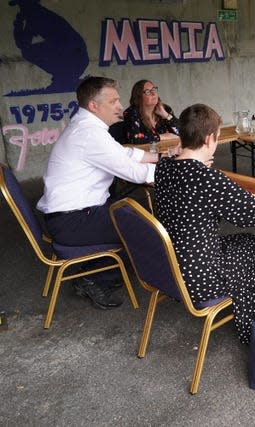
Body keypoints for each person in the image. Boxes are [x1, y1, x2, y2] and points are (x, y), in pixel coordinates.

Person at [154, 103, 255, 344]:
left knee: (251, 244)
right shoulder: (208, 179)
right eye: (218, 138)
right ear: (209, 139)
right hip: (200, 277)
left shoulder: (164, 168)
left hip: (169, 265)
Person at [37, 76, 158, 309]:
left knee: (134, 211)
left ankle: (97, 266)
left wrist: (159, 158)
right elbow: (134, 173)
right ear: (94, 105)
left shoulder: (88, 128)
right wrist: (175, 171)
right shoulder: (89, 134)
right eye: (113, 101)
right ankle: (94, 278)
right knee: (147, 227)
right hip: (73, 221)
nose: (120, 106)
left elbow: (123, 154)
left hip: (72, 216)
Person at [122, 79, 179, 145]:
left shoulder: (166, 109)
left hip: (168, 151)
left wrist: (166, 115)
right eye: (148, 91)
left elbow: (182, 132)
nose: (153, 93)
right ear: (139, 97)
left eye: (153, 89)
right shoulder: (131, 113)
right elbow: (134, 138)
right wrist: (161, 137)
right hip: (145, 153)